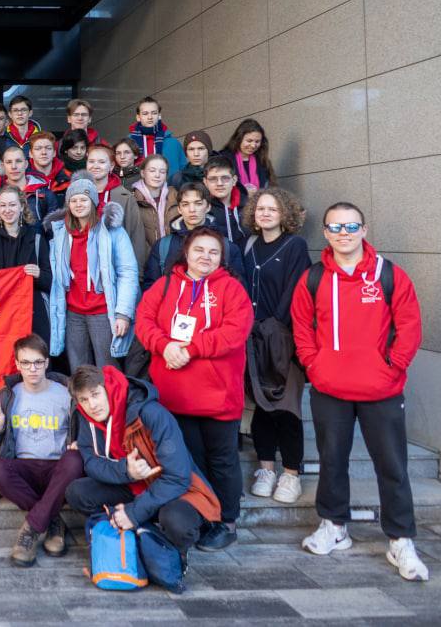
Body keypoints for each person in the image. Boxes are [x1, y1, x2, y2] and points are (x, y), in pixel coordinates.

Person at [291, 202, 428, 581]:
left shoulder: (390, 275)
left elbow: (410, 325)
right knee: (331, 459)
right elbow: (301, 326)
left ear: (364, 230)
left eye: (351, 226)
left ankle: (400, 539)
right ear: (326, 233)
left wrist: (392, 366)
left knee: (392, 465)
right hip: (330, 386)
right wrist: (314, 366)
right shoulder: (313, 278)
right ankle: (334, 526)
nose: (343, 233)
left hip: (380, 388)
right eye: (335, 227)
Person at [135, 226, 252, 551]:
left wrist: (190, 348)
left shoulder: (231, 289)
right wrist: (164, 345)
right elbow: (144, 321)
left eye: (214, 252)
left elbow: (235, 332)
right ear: (186, 252)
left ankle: (226, 521)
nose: (206, 257)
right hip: (175, 397)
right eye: (200, 250)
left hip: (219, 396)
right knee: (191, 463)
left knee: (223, 460)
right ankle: (199, 514)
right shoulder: (166, 284)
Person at [65, 364, 222, 588]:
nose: (92, 405)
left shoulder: (151, 413)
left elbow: (178, 477)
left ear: (107, 388)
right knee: (78, 492)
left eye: (95, 395)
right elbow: (91, 463)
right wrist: (126, 471)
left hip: (177, 491)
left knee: (177, 521)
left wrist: (134, 512)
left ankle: (171, 550)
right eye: (84, 400)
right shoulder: (87, 418)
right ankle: (133, 533)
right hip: (134, 485)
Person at [0, 334, 80, 567]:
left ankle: (32, 528)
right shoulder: (9, 396)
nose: (32, 368)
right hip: (24, 467)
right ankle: (51, 518)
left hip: (58, 470)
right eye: (25, 363)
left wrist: (78, 444)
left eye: (37, 362)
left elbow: (83, 435)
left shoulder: (67, 394)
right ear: (17, 364)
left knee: (75, 459)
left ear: (46, 363)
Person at [239, 187, 310, 505]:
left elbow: (296, 290)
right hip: (252, 339)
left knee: (287, 407)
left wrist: (273, 327)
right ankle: (266, 469)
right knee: (262, 407)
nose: (265, 213)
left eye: (272, 209)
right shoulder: (248, 245)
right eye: (260, 209)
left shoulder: (295, 245)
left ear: (285, 214)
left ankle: (291, 474)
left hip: (284, 338)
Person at [47, 179, 139, 374]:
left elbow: (127, 272)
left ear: (94, 202)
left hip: (103, 310)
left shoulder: (111, 230)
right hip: (74, 312)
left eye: (84, 199)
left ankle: (112, 404)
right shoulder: (61, 232)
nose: (79, 204)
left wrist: (123, 313)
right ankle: (82, 404)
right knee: (79, 369)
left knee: (107, 368)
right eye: (74, 200)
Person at [0, 186, 52, 341]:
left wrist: (38, 274)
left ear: (22, 206)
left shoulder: (36, 239)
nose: (7, 210)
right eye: (3, 205)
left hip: (31, 313)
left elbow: (49, 281)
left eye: (12, 205)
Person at [143, 183, 246, 291]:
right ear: (179, 209)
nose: (192, 209)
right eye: (185, 204)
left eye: (198, 203)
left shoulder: (226, 246)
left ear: (208, 207)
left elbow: (239, 291)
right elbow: (151, 290)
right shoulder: (163, 246)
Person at [84, 144, 148, 270]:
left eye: (102, 162)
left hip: (117, 268)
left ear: (111, 166)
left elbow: (136, 236)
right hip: (84, 267)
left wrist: (137, 274)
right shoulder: (76, 194)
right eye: (91, 161)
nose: (95, 166)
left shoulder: (125, 196)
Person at [0, 145, 57, 223]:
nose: (13, 167)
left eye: (18, 161)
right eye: (9, 162)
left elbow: (52, 230)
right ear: (3, 166)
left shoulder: (45, 194)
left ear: (26, 164)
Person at [131, 154, 178, 261]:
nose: (157, 175)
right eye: (152, 171)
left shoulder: (176, 196)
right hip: (147, 261)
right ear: (143, 173)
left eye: (162, 172)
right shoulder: (133, 200)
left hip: (175, 259)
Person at [127, 97, 187, 177]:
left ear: (159, 115)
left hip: (169, 188)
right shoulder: (128, 143)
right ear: (138, 117)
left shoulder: (173, 143)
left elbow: (184, 172)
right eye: (145, 113)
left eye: (154, 113)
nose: (150, 117)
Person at [203, 155, 248, 246]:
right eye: (213, 179)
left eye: (225, 178)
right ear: (205, 182)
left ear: (234, 180)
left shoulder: (249, 206)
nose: (219, 183)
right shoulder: (201, 208)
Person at [223, 118, 272, 193]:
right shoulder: (224, 158)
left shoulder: (263, 161)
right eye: (249, 141)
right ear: (238, 139)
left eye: (257, 141)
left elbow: (270, 188)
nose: (253, 145)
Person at [28, 131, 73, 198]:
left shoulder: (69, 177)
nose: (44, 152)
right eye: (38, 149)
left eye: (48, 148)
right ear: (31, 154)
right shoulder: (23, 178)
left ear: (54, 153)